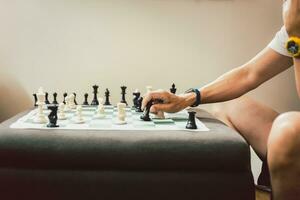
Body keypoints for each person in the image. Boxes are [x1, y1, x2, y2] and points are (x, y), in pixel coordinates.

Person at [142, 1, 300, 199]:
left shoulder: (296, 31)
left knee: (288, 130)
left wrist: (296, 40)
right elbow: (249, 74)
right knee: (232, 106)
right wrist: (186, 99)